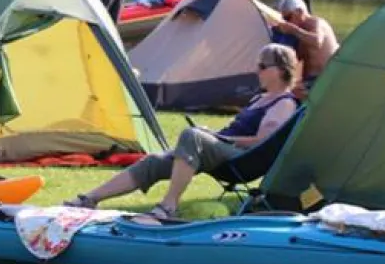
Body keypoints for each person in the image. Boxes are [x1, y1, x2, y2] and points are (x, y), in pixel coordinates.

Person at [65, 44, 302, 221]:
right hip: (225, 148)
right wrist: (214, 135)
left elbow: (261, 141)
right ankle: (89, 198)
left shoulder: (283, 103)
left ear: (280, 70)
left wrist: (221, 138)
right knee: (155, 161)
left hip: (241, 158)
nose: (256, 70)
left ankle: (168, 206)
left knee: (192, 136)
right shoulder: (260, 98)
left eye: (262, 66)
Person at [270, 0, 338, 97]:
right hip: (309, 80)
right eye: (284, 19)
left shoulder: (315, 22)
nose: (287, 22)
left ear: (300, 12)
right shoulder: (299, 32)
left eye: (288, 18)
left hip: (324, 77)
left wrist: (294, 30)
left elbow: (317, 42)